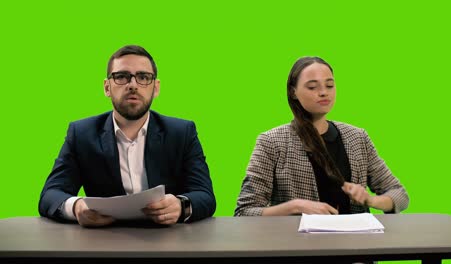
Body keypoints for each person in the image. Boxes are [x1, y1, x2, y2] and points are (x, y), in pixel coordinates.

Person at [39, 45, 216, 227]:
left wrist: (181, 205)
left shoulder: (182, 132)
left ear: (156, 88)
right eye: (122, 76)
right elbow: (50, 194)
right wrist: (77, 207)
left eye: (143, 77)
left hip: (168, 244)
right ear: (107, 87)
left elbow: (205, 195)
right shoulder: (81, 133)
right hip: (102, 242)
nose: (133, 85)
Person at [235, 56, 409, 216]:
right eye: (312, 87)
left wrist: (371, 200)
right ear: (293, 92)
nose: (323, 92)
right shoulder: (271, 142)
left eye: (329, 85)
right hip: (299, 246)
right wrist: (295, 206)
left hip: (356, 244)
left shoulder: (357, 137)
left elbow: (399, 194)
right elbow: (245, 211)